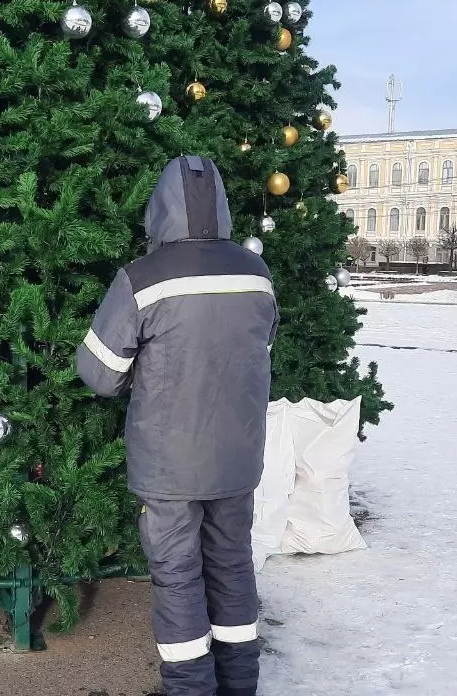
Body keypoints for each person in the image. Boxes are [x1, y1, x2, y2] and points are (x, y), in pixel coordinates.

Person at [76, 155, 278, 696]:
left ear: (160, 208)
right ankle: (240, 687)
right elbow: (260, 348)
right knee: (233, 565)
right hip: (237, 458)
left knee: (177, 576)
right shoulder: (255, 275)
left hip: (168, 465)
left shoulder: (142, 279)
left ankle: (190, 689)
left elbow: (97, 372)